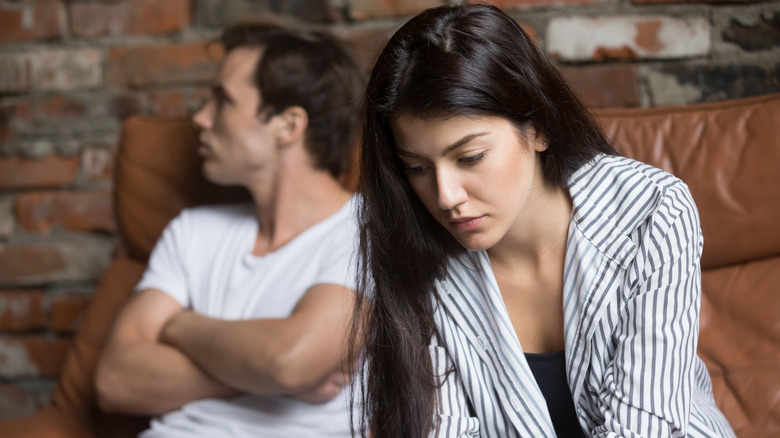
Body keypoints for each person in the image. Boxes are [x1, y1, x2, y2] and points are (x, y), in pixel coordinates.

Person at [349, 4, 736, 438]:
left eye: (470, 157)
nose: (445, 196)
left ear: (538, 128)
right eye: (418, 167)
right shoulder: (417, 252)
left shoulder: (649, 211)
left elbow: (644, 430)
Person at [95, 20, 364, 438]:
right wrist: (265, 377)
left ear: (287, 126)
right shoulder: (191, 231)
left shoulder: (368, 232)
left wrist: (179, 326)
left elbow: (289, 361)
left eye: (222, 101)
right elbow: (114, 380)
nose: (201, 118)